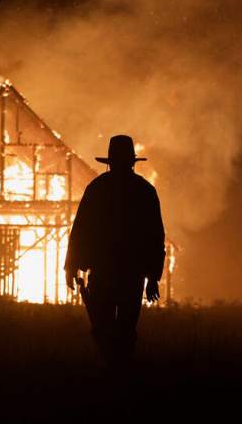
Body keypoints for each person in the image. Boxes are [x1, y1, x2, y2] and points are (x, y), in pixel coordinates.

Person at [65, 134, 166, 363]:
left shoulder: (97, 189)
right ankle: (122, 376)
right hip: (132, 275)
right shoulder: (145, 191)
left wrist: (71, 267)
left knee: (103, 329)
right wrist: (152, 277)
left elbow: (79, 231)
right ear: (132, 161)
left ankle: (111, 374)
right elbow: (155, 237)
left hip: (103, 273)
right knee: (125, 331)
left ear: (109, 161)